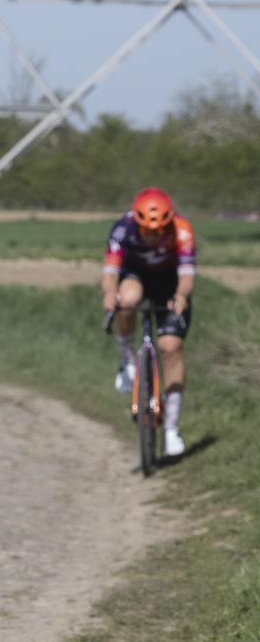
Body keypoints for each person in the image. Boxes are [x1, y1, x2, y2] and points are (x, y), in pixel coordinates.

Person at [102, 188, 195, 455]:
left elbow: (187, 275)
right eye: (146, 231)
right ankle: (128, 362)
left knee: (171, 349)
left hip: (170, 284)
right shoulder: (123, 228)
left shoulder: (182, 228)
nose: (153, 236)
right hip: (136, 276)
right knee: (126, 299)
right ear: (137, 221)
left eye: (159, 231)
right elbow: (110, 272)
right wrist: (110, 294)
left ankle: (171, 430)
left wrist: (180, 295)